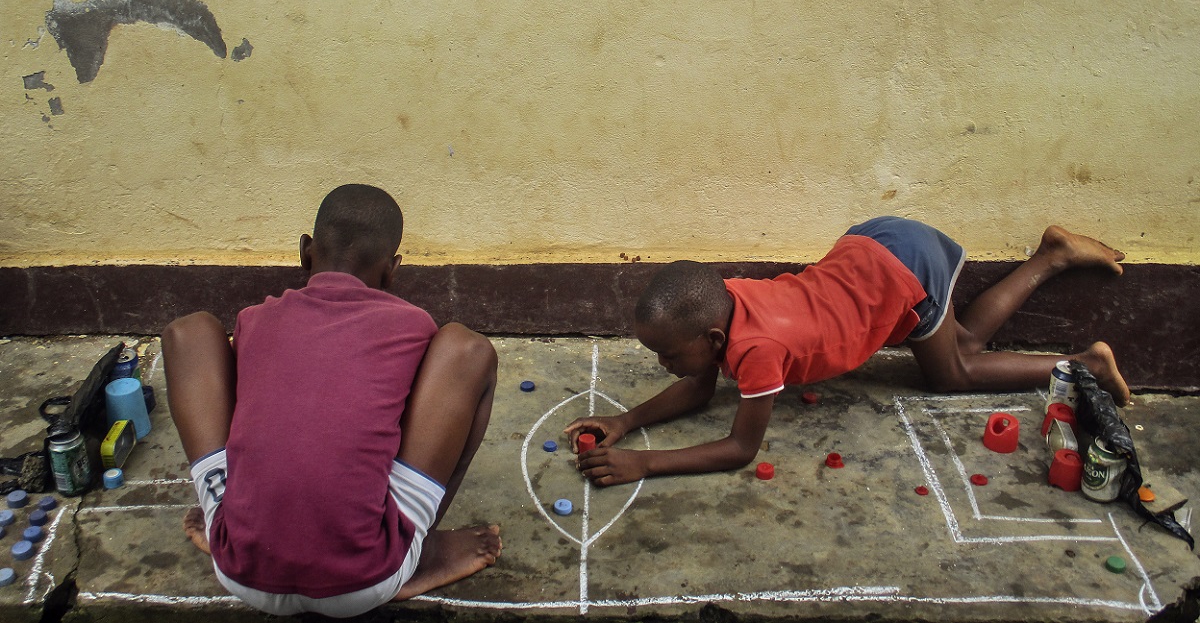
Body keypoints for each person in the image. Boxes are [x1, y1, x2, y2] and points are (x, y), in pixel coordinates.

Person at [565, 216, 1129, 487]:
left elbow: (740, 447)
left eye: (667, 355)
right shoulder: (725, 300)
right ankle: (1052, 255)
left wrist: (642, 463)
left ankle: (1085, 366)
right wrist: (627, 420)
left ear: (712, 339)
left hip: (902, 268)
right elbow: (698, 382)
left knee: (953, 372)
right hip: (872, 242)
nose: (664, 366)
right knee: (961, 344)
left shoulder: (757, 353)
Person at [162, 184, 502, 618]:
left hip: (238, 565)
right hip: (367, 577)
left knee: (187, 333)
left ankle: (221, 517)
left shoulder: (254, 320)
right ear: (392, 270)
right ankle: (418, 548)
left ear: (305, 251)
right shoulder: (414, 326)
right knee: (468, 350)